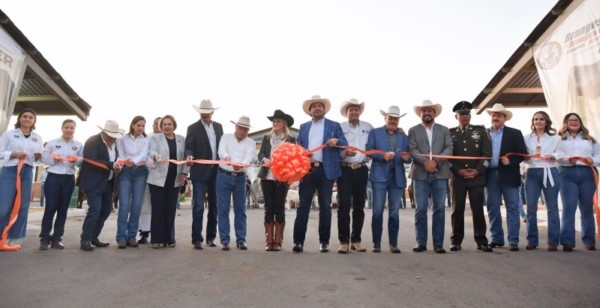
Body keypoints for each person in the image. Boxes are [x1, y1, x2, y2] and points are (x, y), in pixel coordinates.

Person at [293, 95, 348, 253]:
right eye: (314, 106)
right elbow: (298, 148)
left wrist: (336, 142)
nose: (317, 108)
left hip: (326, 171)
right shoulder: (303, 127)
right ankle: (298, 242)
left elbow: (344, 143)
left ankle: (324, 242)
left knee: (325, 207)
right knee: (303, 206)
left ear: (324, 109)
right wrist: (303, 153)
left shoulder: (334, 125)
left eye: (320, 106)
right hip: (308, 171)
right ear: (310, 111)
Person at [408, 100, 453, 254]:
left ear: (434, 113)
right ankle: (420, 242)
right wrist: (426, 163)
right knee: (420, 208)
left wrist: (436, 162)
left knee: (439, 208)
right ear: (420, 114)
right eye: (424, 111)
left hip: (440, 174)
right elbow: (412, 149)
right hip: (420, 173)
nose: (427, 113)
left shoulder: (444, 130)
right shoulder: (413, 130)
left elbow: (449, 148)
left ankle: (438, 244)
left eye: (430, 111)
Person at [448, 101, 493, 252]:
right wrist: (457, 171)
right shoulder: (450, 133)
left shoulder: (480, 131)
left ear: (470, 115)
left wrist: (477, 171)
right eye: (461, 114)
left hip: (477, 177)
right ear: (456, 116)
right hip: (458, 177)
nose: (464, 116)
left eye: (467, 113)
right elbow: (447, 157)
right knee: (457, 210)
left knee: (478, 210)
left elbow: (487, 155)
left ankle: (481, 240)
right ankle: (456, 240)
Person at [366, 105, 411, 253]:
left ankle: (393, 243)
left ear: (399, 120)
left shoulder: (404, 137)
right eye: (390, 118)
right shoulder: (375, 133)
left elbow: (408, 157)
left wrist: (407, 157)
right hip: (379, 176)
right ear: (385, 118)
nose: (393, 120)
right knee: (377, 211)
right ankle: (376, 243)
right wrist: (382, 156)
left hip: (397, 177)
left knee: (394, 213)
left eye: (395, 118)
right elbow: (369, 150)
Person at [485, 103, 527, 251]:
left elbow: (522, 153)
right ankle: (496, 238)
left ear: (505, 118)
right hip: (490, 175)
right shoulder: (485, 133)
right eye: (493, 115)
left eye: (499, 115)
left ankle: (513, 240)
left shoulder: (515, 133)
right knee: (492, 207)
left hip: (509, 174)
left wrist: (511, 160)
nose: (495, 117)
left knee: (513, 208)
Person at [0, 108, 43, 249]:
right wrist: (13, 154)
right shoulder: (9, 135)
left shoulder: (37, 138)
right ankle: (1, 236)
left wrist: (37, 157)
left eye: (31, 117)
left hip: (27, 171)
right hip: (10, 171)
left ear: (34, 121)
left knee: (23, 206)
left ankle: (15, 237)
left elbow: (39, 158)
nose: (27, 119)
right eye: (24, 116)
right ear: (19, 119)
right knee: (4, 206)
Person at [556, 113, 599, 252]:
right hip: (567, 174)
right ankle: (567, 241)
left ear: (580, 122)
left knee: (587, 208)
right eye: (571, 120)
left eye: (577, 120)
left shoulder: (590, 139)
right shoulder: (558, 139)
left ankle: (589, 241)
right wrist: (567, 160)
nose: (574, 122)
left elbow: (598, 155)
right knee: (569, 208)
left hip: (588, 174)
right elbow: (555, 156)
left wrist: (594, 160)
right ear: (565, 123)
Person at [78, 120, 124, 251]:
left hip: (107, 183)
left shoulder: (115, 145)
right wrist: (112, 165)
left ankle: (94, 237)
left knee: (105, 210)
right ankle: (85, 239)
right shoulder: (92, 141)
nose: (112, 139)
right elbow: (92, 160)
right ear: (103, 132)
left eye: (114, 136)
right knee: (95, 210)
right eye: (110, 136)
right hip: (93, 182)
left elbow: (115, 160)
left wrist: (117, 166)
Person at [38, 119, 83, 250]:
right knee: (50, 208)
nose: (69, 130)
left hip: (68, 179)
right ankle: (44, 239)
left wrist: (76, 160)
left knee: (63, 210)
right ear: (62, 128)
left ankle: (57, 238)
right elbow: (43, 158)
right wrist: (54, 158)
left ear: (74, 129)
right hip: (53, 177)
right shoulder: (52, 143)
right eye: (66, 127)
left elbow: (81, 162)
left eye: (71, 128)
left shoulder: (79, 145)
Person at [336, 99, 373, 253]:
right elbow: (334, 147)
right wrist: (344, 153)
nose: (354, 112)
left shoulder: (368, 127)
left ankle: (356, 240)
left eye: (356, 109)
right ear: (347, 112)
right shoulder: (339, 127)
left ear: (360, 112)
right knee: (343, 206)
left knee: (359, 207)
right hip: (344, 170)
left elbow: (376, 143)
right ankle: (344, 241)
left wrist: (399, 131)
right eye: (351, 109)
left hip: (362, 170)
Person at [186, 99, 223, 249]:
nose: (205, 116)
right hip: (199, 172)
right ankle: (197, 239)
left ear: (212, 113)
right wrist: (189, 156)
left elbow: (221, 147)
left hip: (216, 172)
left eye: (207, 114)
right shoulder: (192, 128)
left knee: (215, 206)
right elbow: (189, 146)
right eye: (203, 114)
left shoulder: (219, 127)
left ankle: (211, 237)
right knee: (198, 207)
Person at [257, 109, 296, 251]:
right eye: (273, 121)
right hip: (267, 176)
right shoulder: (266, 138)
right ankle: (269, 241)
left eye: (278, 120)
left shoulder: (291, 139)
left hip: (282, 177)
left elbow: (294, 157)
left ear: (284, 123)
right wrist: (264, 159)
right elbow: (261, 153)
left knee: (279, 207)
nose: (275, 123)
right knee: (268, 207)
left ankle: (278, 241)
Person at [147, 115, 187, 249]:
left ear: (174, 125)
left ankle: (169, 238)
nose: (167, 126)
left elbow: (184, 158)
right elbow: (151, 151)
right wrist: (155, 156)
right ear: (161, 126)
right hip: (158, 179)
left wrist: (183, 174)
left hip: (174, 178)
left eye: (169, 124)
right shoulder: (155, 138)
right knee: (158, 209)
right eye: (164, 124)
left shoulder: (181, 139)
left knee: (170, 209)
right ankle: (156, 239)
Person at [523, 111, 561, 251]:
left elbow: (562, 153)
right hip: (532, 171)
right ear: (533, 122)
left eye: (541, 119)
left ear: (547, 122)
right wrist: (526, 157)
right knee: (531, 208)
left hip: (550, 171)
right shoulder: (527, 138)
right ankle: (532, 240)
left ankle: (553, 241)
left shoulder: (555, 138)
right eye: (536, 119)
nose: (538, 121)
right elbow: (523, 155)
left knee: (552, 208)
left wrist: (554, 155)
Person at [216, 116, 256, 250]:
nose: (242, 131)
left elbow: (250, 156)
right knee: (223, 209)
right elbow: (221, 150)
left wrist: (242, 165)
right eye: (240, 128)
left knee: (240, 209)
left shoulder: (251, 142)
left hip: (240, 177)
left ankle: (241, 240)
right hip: (223, 176)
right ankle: (224, 240)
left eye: (245, 129)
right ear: (235, 127)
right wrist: (226, 157)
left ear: (248, 131)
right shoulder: (225, 137)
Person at [115, 116, 150, 249]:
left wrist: (133, 162)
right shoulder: (123, 139)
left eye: (143, 126)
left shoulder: (147, 139)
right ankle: (121, 237)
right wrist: (123, 163)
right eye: (138, 125)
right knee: (124, 205)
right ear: (133, 125)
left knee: (136, 205)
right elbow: (121, 154)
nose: (141, 128)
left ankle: (132, 236)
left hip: (140, 172)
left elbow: (144, 154)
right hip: (125, 172)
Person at [138, 116, 161, 244]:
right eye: (155, 124)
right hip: (147, 174)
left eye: (160, 124)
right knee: (145, 206)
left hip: (161, 177)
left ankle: (158, 233)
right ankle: (144, 233)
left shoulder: (167, 139)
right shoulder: (148, 138)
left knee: (158, 206)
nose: (157, 127)